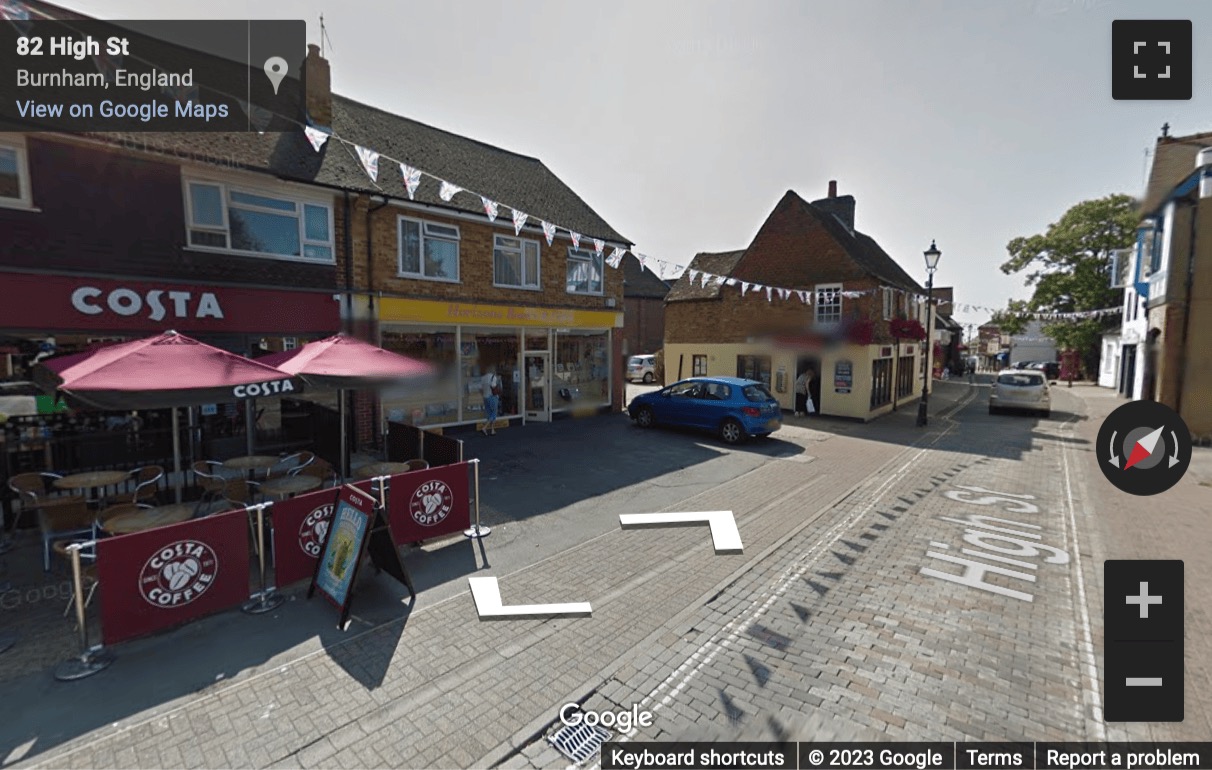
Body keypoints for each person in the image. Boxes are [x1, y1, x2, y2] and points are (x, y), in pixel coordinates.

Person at [480, 368, 501, 435]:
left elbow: (480, 389)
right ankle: (485, 427)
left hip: (485, 397)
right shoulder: (493, 377)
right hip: (492, 397)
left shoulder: (483, 378)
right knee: (494, 413)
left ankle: (492, 430)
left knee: (489, 414)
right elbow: (493, 386)